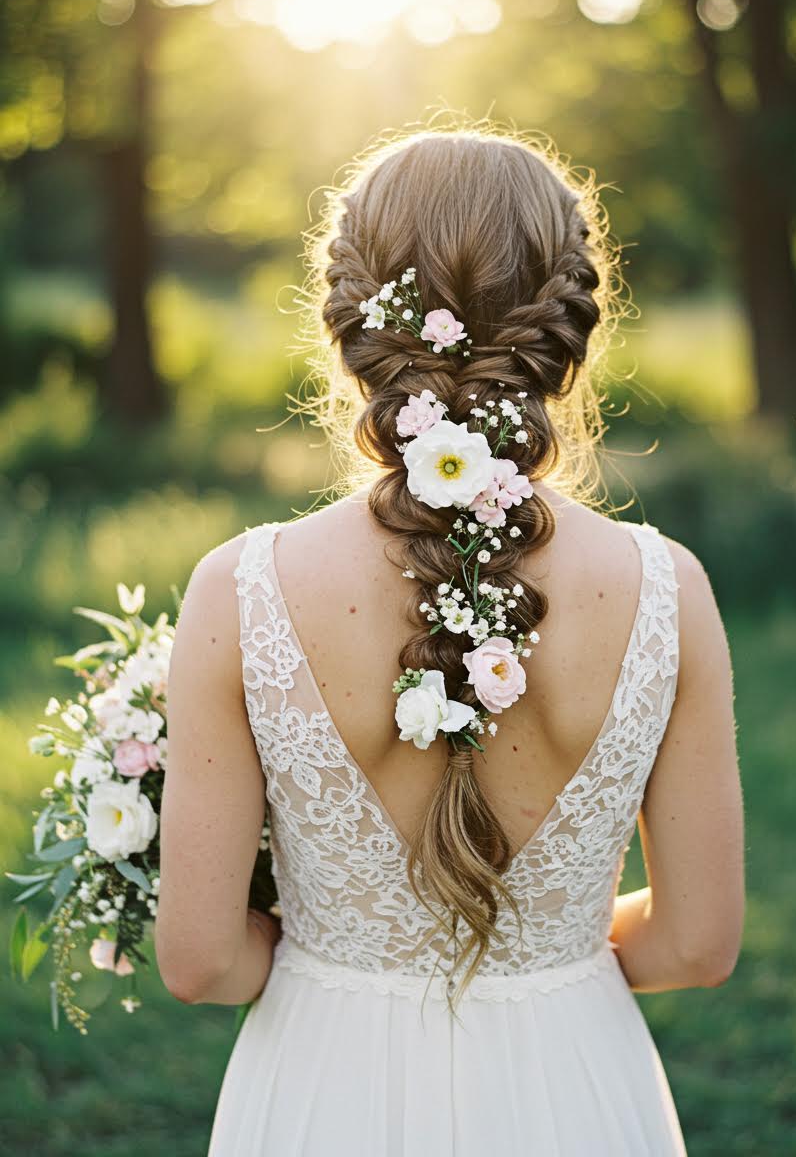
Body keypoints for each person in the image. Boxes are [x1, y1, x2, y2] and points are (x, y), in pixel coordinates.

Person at [155, 127, 744, 1156]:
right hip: (574, 1083)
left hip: (319, 1084)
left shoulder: (239, 589)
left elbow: (200, 960)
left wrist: (331, 959)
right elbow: (696, 941)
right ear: (563, 327)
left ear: (348, 320)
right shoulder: (667, 588)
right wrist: (547, 955)